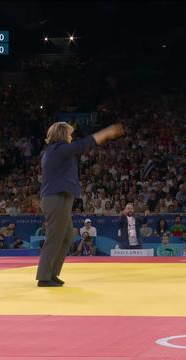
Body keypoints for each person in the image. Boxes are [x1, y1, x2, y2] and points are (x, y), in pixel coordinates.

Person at [36, 121, 124, 287]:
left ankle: (52, 273)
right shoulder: (57, 150)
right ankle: (44, 276)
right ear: (63, 135)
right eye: (69, 134)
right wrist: (106, 133)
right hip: (56, 198)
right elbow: (83, 144)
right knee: (54, 237)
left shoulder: (57, 152)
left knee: (67, 236)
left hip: (61, 198)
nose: (71, 137)